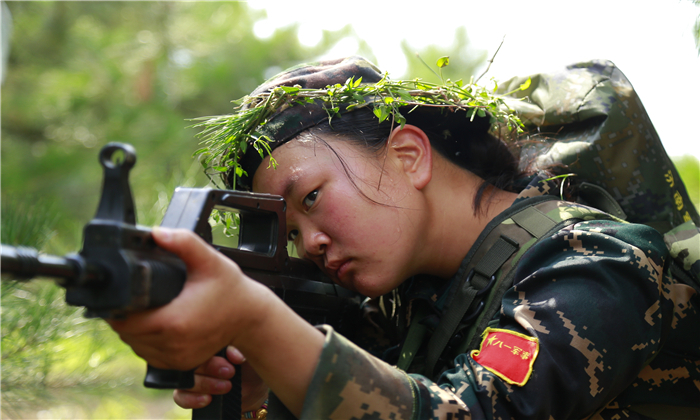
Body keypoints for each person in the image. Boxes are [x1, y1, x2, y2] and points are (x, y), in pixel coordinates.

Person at [108, 56, 700, 419]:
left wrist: (262, 324)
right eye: (291, 235)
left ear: (408, 155)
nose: (309, 243)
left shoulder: (593, 261)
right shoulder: (416, 305)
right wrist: (266, 386)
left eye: (311, 198)